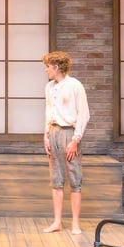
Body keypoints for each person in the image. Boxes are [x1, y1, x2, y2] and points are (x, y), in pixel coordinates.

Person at [43, 50, 90, 235]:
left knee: (74, 178)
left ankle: (75, 223)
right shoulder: (49, 87)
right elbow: (48, 110)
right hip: (53, 131)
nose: (46, 70)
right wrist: (46, 134)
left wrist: (75, 140)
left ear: (56, 67)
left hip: (70, 133)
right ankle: (57, 222)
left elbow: (83, 114)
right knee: (56, 178)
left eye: (48, 67)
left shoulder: (74, 85)